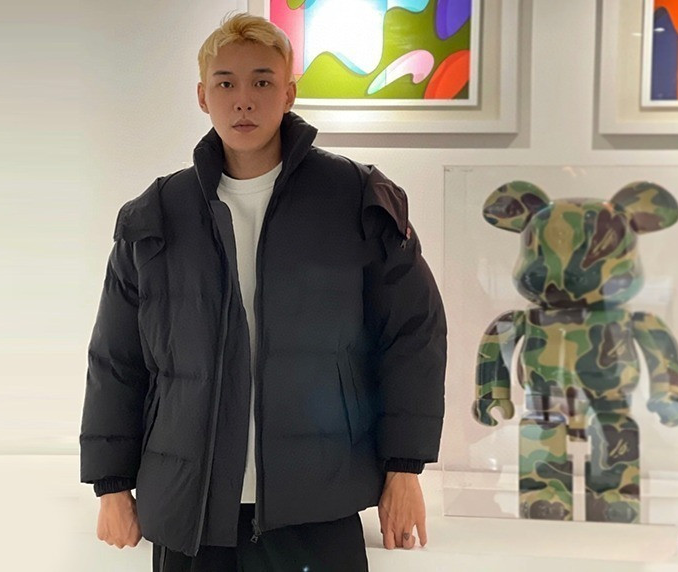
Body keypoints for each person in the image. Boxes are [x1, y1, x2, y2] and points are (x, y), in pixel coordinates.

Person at [79, 12, 446, 572]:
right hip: (191, 507)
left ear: (289, 93)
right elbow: (116, 358)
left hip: (319, 503)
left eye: (262, 81)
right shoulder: (156, 215)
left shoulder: (354, 198)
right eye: (226, 83)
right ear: (203, 96)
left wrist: (405, 468)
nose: (243, 100)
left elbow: (412, 335)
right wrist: (111, 484)